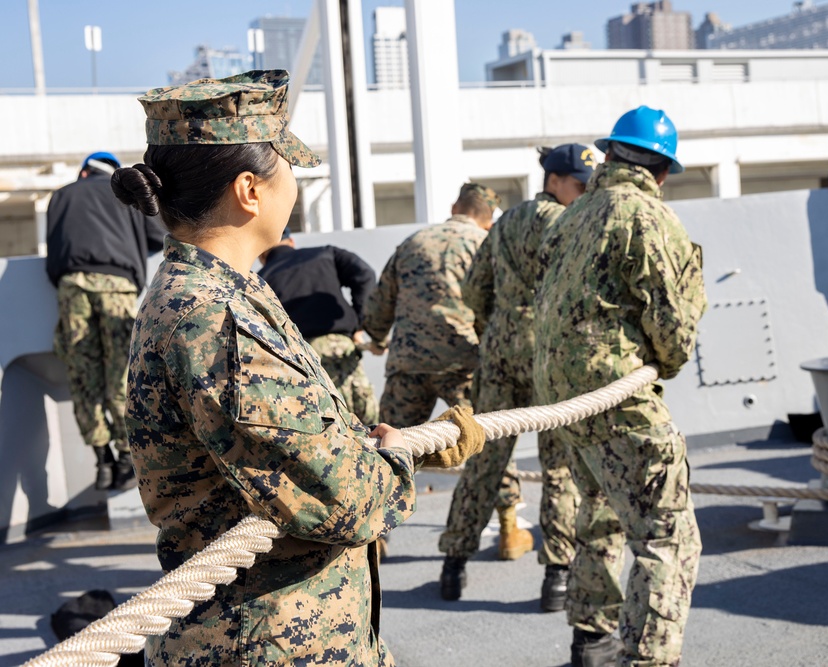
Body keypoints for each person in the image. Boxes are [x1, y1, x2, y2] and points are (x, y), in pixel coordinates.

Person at [111, 70, 484, 666]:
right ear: (249, 190)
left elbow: (283, 444)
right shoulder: (213, 318)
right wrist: (394, 463)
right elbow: (347, 500)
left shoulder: (217, 293)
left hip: (285, 629)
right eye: (288, 166)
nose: (297, 184)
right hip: (270, 640)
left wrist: (374, 443)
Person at [533, 106, 706, 667]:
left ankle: (592, 640)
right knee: (668, 536)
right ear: (663, 171)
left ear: (608, 157)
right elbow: (673, 334)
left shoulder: (572, 216)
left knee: (601, 513)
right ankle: (648, 660)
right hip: (617, 398)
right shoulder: (649, 218)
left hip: (566, 403)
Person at [438, 144, 595, 610]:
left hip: (501, 348)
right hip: (551, 350)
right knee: (559, 465)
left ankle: (453, 567)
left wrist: (501, 325)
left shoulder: (505, 222)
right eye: (580, 184)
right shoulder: (567, 222)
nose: (584, 193)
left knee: (485, 460)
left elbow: (472, 291)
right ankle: (557, 578)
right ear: (555, 180)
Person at [364, 182, 535, 590]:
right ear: (489, 215)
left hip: (408, 362)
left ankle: (374, 537)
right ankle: (510, 528)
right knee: (484, 442)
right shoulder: (486, 243)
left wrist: (376, 335)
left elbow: (380, 305)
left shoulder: (414, 241)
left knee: (390, 443)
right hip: (466, 361)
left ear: (455, 206)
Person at [45, 150, 165, 491]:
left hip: (72, 287)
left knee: (83, 374)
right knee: (122, 373)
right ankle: (129, 456)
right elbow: (157, 237)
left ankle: (103, 460)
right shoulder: (122, 194)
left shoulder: (62, 194)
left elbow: (54, 247)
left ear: (84, 173)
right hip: (117, 286)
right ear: (114, 173)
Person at [258, 229, 379, 426]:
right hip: (342, 345)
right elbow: (365, 274)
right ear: (292, 242)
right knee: (367, 420)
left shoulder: (261, 279)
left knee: (332, 423)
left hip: (302, 358)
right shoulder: (326, 253)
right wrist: (361, 323)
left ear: (262, 253)